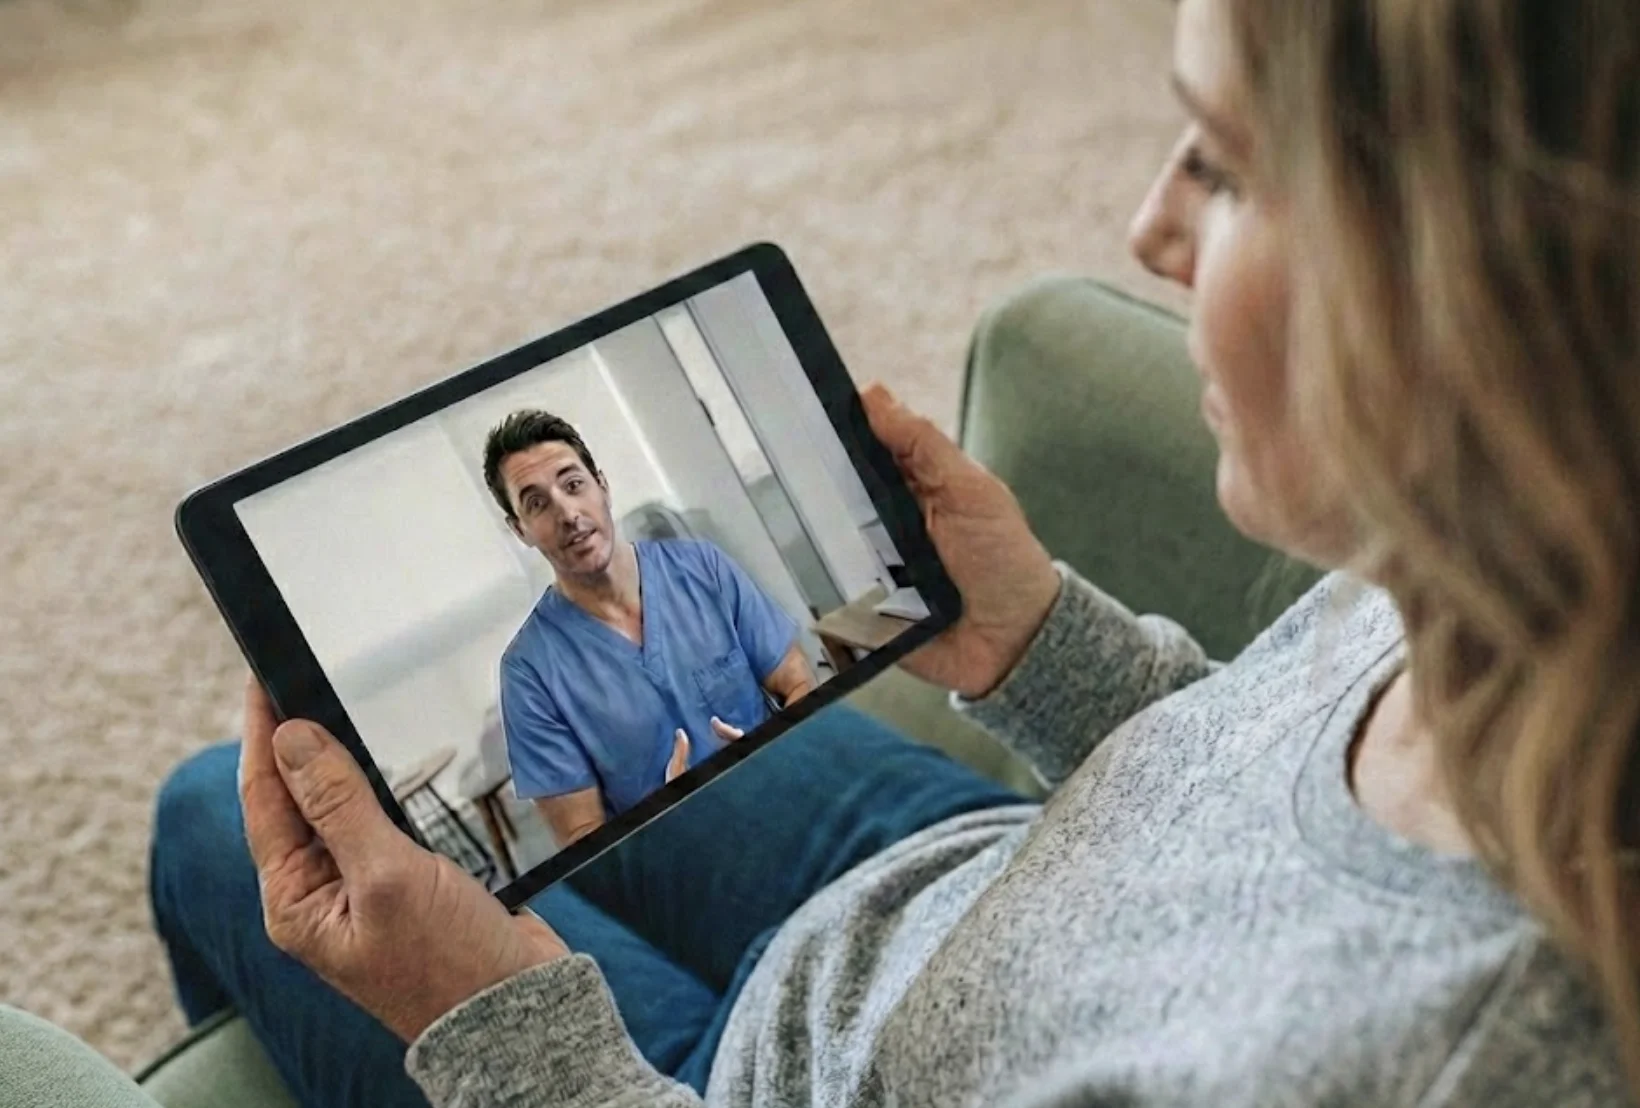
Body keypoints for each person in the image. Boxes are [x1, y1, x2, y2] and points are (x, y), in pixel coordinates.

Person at [145, 0, 1640, 1105]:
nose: (1147, 225)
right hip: (974, 869)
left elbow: (780, 675)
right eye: (539, 502)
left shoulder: (1465, 1058)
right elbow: (1262, 825)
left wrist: (513, 1038)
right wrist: (1045, 645)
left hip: (736, 1074)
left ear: (1485, 296)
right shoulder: (1489, 567)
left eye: (1229, 168)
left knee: (222, 805)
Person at [481, 410, 818, 844]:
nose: (567, 513)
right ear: (520, 529)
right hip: (687, 869)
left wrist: (771, 749)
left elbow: (799, 682)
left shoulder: (704, 569)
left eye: (573, 484)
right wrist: (667, 820)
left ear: (602, 485)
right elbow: (584, 844)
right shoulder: (529, 673)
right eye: (537, 503)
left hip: (795, 803)